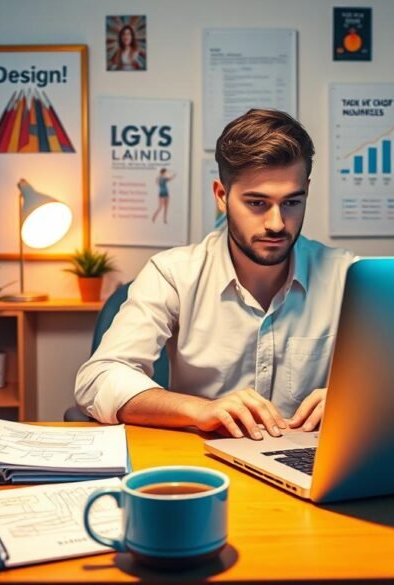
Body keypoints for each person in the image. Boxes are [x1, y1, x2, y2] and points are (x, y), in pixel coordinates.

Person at [75, 109, 354, 440]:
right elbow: (99, 378)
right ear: (222, 196)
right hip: (205, 461)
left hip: (309, 467)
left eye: (292, 202)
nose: (277, 223)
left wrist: (357, 399)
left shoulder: (350, 277)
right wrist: (199, 410)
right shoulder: (173, 274)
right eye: (257, 203)